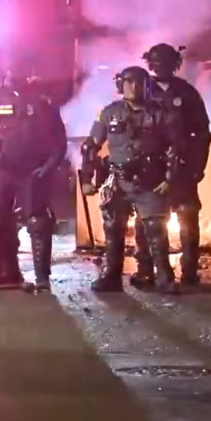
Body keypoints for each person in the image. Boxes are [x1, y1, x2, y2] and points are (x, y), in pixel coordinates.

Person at [81, 66, 180, 293]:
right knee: (113, 228)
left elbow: (175, 149)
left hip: (151, 179)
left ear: (147, 86)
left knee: (156, 228)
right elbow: (90, 147)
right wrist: (87, 178)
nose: (133, 87)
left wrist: (169, 179)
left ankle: (164, 278)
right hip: (118, 179)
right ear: (120, 85)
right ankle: (111, 277)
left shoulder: (162, 113)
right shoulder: (108, 113)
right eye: (128, 82)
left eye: (138, 82)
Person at [0, 61, 66, 292]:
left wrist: (48, 166)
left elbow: (58, 139)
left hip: (32, 170)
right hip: (2, 168)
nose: (16, 72)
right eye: (12, 68)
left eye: (21, 67)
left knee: (37, 222)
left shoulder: (43, 100)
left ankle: (42, 278)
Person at [131, 43, 211, 286]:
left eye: (165, 63)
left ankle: (189, 271)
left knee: (187, 215)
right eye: (155, 63)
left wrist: (198, 166)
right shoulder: (141, 92)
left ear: (175, 64)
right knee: (146, 219)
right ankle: (146, 269)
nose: (160, 68)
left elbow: (203, 133)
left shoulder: (187, 93)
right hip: (149, 168)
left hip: (183, 167)